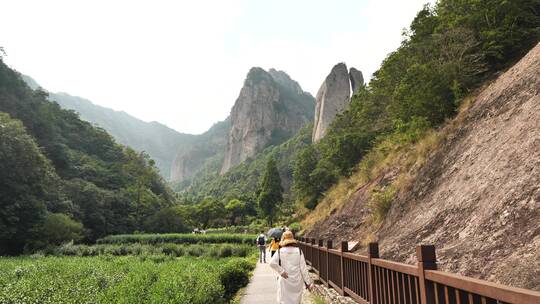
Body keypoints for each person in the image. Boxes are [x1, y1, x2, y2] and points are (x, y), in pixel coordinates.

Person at [269, 231, 314, 304]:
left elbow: (272, 263)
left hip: (285, 280)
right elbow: (303, 269)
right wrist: (308, 283)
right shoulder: (299, 251)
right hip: (297, 282)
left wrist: (281, 271)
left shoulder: (280, 251)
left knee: (284, 301)